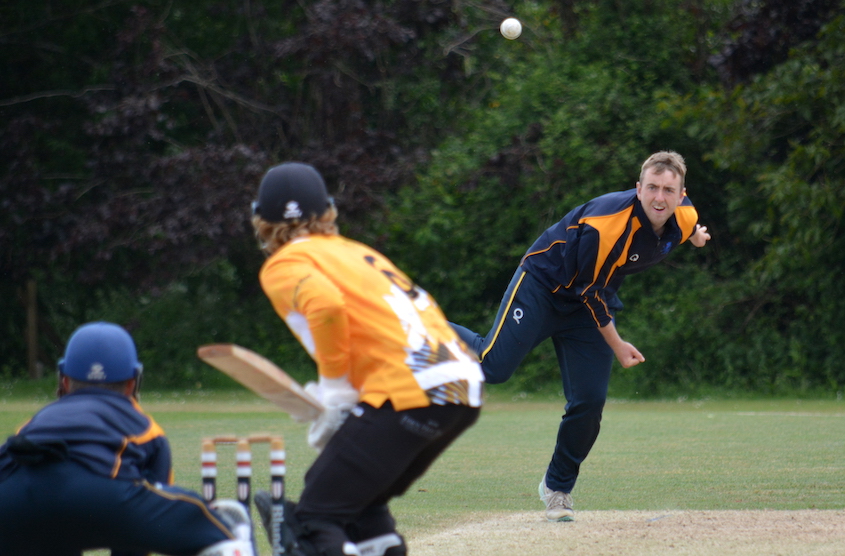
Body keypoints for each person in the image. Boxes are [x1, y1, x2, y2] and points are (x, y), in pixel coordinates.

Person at [450, 150, 711, 521]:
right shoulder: (609, 224)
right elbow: (590, 292)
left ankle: (557, 488)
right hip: (542, 287)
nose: (659, 197)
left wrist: (697, 238)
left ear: (681, 194)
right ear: (638, 188)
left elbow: (680, 233)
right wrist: (618, 346)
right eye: (651, 187)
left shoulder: (684, 217)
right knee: (493, 367)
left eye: (669, 190)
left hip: (586, 306)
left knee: (588, 402)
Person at [248, 162, 484, 556]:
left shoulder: (285, 263)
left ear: (262, 221)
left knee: (314, 518)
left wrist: (336, 393)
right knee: (360, 508)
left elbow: (325, 307)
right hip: (462, 385)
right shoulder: (356, 252)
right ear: (328, 211)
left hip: (410, 390)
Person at [0, 321, 254, 556]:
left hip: (13, 499)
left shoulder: (33, 424)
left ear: (64, 382)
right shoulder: (144, 426)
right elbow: (143, 531)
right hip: (102, 496)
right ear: (132, 384)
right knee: (218, 524)